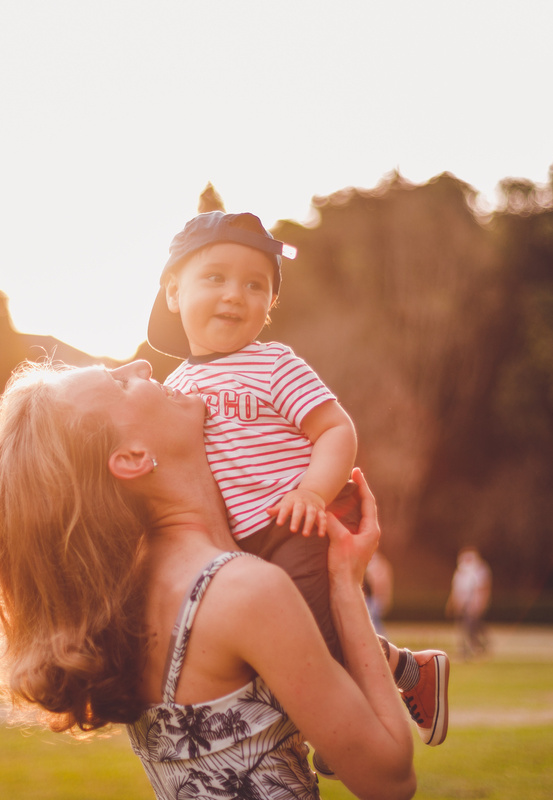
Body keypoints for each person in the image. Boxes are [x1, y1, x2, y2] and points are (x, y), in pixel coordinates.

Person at [0, 360, 419, 799]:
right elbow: (390, 779)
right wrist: (345, 581)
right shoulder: (243, 591)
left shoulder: (129, 596)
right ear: (134, 457)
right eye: (120, 383)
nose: (142, 367)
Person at [146, 210, 448, 747]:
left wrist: (313, 491)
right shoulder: (175, 385)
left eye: (254, 284)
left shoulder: (274, 365)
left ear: (270, 306)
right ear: (173, 290)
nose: (235, 294)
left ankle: (348, 727)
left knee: (308, 627)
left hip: (303, 516)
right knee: (279, 634)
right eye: (215, 277)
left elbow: (335, 428)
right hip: (242, 540)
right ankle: (409, 673)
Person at [447, 547, 491, 658]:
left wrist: (480, 604)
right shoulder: (460, 571)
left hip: (473, 605)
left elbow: (483, 588)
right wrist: (452, 603)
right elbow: (455, 589)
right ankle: (466, 650)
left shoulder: (480, 570)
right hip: (462, 604)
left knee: (472, 627)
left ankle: (479, 646)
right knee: (464, 627)